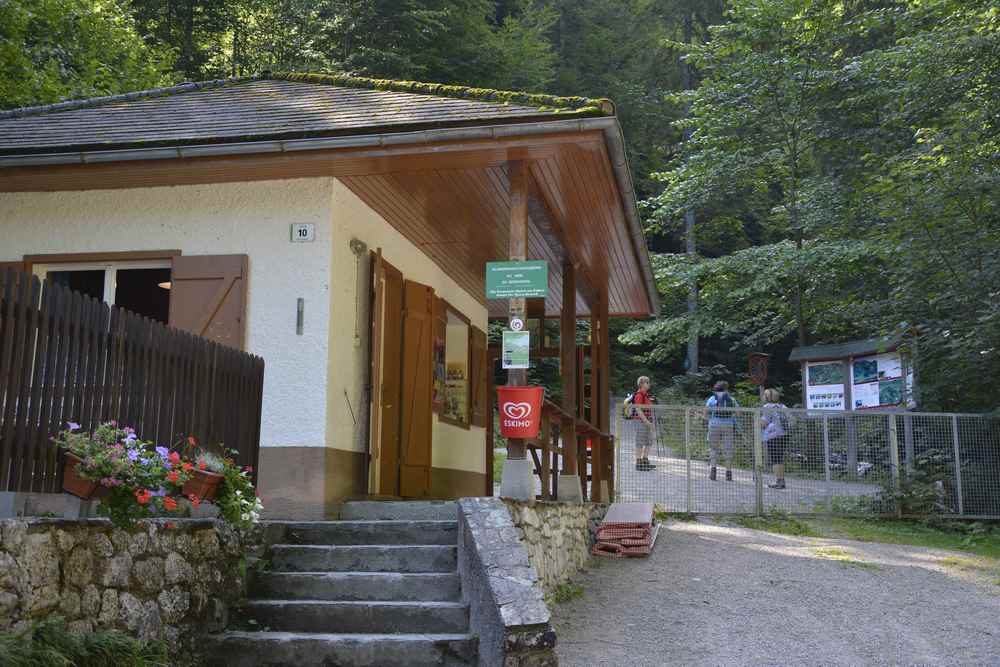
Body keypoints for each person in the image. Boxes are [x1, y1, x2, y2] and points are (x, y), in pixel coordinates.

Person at [704, 381, 738, 481]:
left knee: (713, 448)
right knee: (728, 448)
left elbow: (705, 413)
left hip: (714, 425)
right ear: (726, 389)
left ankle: (713, 472)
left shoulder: (712, 398)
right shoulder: (731, 399)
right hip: (728, 425)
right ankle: (728, 473)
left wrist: (709, 420)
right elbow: (739, 413)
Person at [760, 388, 789, 489]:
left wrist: (756, 422)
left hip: (773, 435)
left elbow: (764, 423)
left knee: (775, 459)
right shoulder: (783, 406)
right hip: (784, 435)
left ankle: (778, 481)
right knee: (780, 458)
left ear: (768, 397)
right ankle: (782, 480)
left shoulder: (767, 407)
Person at [633, 376, 656, 471]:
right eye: (647, 382)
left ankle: (645, 461)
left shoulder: (646, 395)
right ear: (641, 384)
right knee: (640, 441)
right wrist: (646, 421)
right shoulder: (639, 395)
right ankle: (639, 463)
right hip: (641, 421)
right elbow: (638, 409)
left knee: (649, 441)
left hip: (647, 420)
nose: (649, 384)